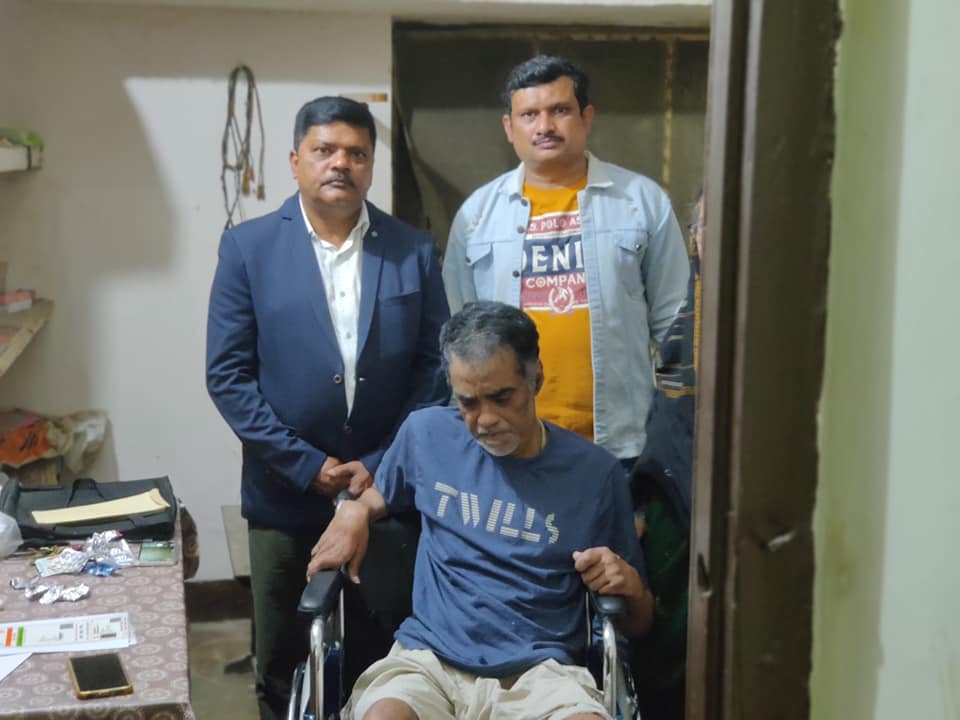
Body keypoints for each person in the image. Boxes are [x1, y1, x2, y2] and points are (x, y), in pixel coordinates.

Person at [206, 95, 450, 720]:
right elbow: (228, 376)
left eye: (356, 153)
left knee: (386, 662)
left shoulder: (412, 250)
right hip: (284, 497)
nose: (340, 163)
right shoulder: (249, 248)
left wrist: (381, 463)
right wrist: (305, 464)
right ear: (295, 160)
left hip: (386, 496)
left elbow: (434, 371)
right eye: (324, 150)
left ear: (371, 165)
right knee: (282, 664)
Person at [307, 301, 654, 720]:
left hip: (541, 671)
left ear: (536, 379)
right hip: (429, 659)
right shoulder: (427, 435)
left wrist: (631, 588)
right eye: (468, 403)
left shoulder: (594, 474)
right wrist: (355, 512)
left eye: (501, 398)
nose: (485, 419)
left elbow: (638, 623)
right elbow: (380, 494)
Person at [442, 55, 690, 471]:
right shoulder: (476, 216)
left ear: (586, 117)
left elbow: (675, 326)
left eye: (560, 110)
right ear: (509, 127)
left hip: (620, 445)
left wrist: (674, 428)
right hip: (509, 444)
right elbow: (457, 337)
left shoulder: (641, 202)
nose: (545, 126)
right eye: (529, 115)